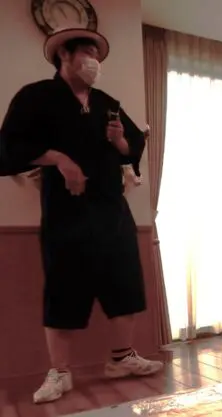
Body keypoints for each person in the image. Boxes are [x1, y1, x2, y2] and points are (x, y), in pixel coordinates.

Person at [0, 28, 163, 404]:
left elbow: (131, 147)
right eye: (87, 51)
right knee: (64, 286)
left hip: (111, 207)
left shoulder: (107, 102)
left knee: (124, 280)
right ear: (65, 55)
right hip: (65, 210)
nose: (94, 60)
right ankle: (60, 372)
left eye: (97, 54)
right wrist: (59, 158)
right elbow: (9, 147)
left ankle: (122, 358)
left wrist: (119, 141)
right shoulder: (36, 97)